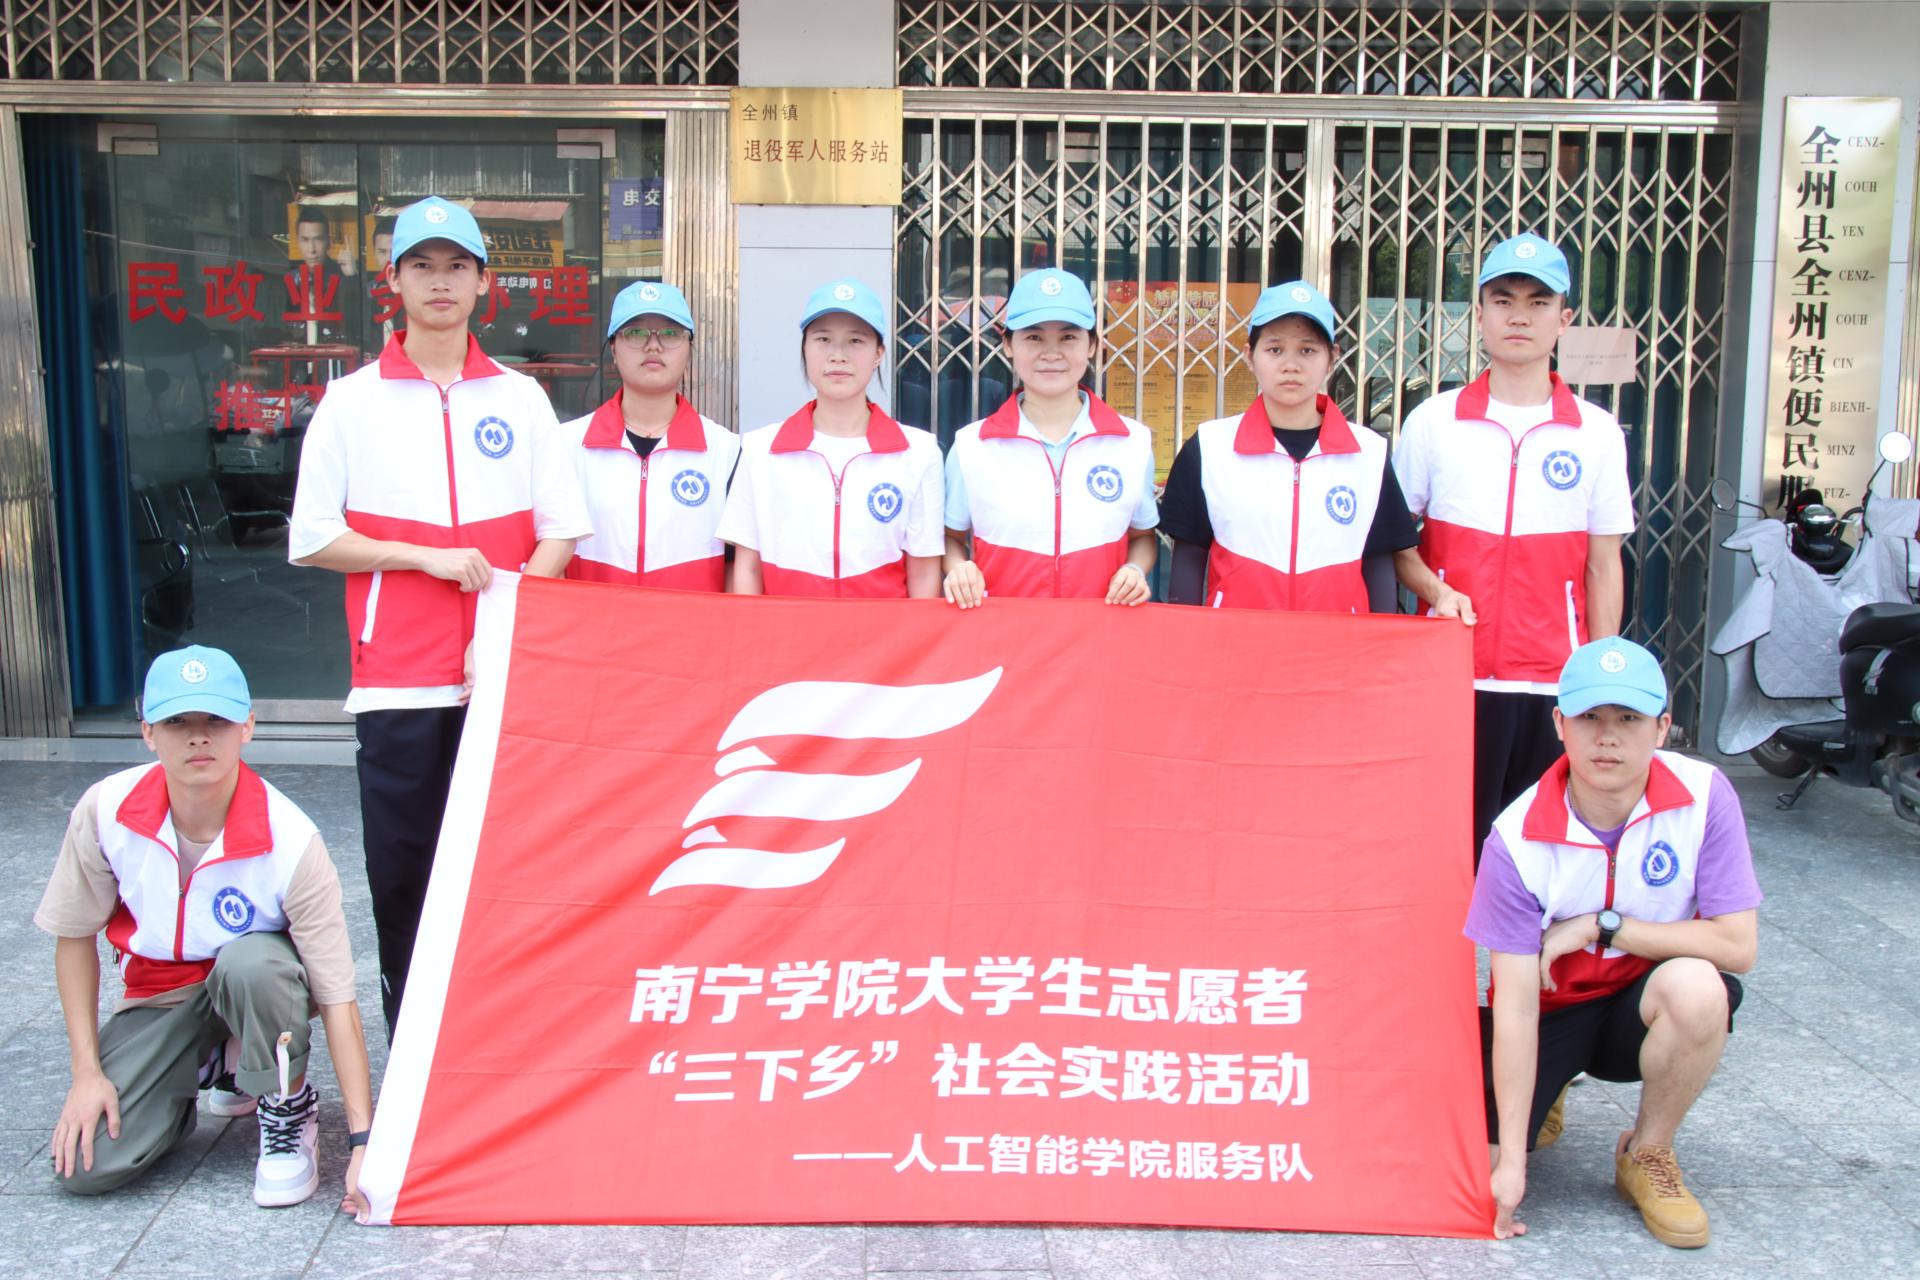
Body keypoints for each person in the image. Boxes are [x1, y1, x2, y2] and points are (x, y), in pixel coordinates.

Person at [288, 195, 591, 1036]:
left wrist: (504, 633)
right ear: (393, 281)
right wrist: (421, 557)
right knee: (406, 875)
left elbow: (562, 529)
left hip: (503, 685)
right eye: (421, 266)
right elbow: (313, 538)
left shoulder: (521, 398)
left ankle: (509, 1042)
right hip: (398, 683)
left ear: (484, 282)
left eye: (457, 265)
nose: (440, 281)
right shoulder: (351, 402)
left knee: (513, 868)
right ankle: (417, 1052)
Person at [35, 646, 374, 1213]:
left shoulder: (292, 839)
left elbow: (338, 996)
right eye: (177, 722)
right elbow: (73, 937)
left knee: (252, 963)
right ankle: (219, 1066)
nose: (198, 738)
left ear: (247, 727)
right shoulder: (106, 810)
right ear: (147, 732)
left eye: (216, 720)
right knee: (91, 1165)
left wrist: (363, 1142)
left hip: (258, 987)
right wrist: (86, 1074)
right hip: (160, 995)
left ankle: (285, 1103)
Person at [1469, 637, 1759, 1248]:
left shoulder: (1706, 795)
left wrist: (1605, 925)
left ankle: (1647, 1152)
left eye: (1628, 718)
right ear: (1559, 725)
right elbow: (1515, 1007)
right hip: (1550, 1011)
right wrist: (1511, 1164)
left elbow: (1738, 946)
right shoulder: (1515, 838)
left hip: (1639, 1005)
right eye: (1589, 718)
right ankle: (1546, 1096)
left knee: (1700, 987)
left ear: (1662, 728)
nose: (1607, 737)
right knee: (1478, 1169)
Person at [1393, 234, 1635, 857]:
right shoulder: (1434, 421)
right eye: (1503, 300)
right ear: (1479, 314)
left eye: (1538, 302)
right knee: (1448, 846)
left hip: (1552, 681)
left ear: (1565, 319)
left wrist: (1600, 675)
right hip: (1453, 671)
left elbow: (1604, 565)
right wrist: (1437, 592)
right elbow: (1396, 544)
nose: (1519, 316)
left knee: (1540, 850)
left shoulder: (1598, 433)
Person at [1159, 281, 1470, 618]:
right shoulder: (1210, 448)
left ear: (1332, 358)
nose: (1290, 365)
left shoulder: (1367, 454)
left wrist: (1380, 640)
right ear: (1250, 356)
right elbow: (1188, 561)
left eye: (1307, 351)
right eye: (1275, 350)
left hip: (1340, 645)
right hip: (1238, 643)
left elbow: (1379, 564)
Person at [941, 268, 1157, 607]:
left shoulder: (1132, 443)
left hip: (1098, 628)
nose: (1051, 353)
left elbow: (1143, 536)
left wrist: (1135, 569)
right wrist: (959, 568)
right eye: (1034, 337)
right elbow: (950, 537)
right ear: (1008, 345)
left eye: (1068, 337)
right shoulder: (972, 446)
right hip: (1003, 628)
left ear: (1092, 345)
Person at [719, 279, 943, 597]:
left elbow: (923, 573)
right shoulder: (759, 450)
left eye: (856, 340)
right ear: (805, 349)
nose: (838, 355)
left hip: (884, 630)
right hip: (787, 628)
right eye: (823, 339)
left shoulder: (918, 452)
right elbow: (748, 568)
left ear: (878, 353)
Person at [564, 281, 739, 589]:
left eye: (670, 333)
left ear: (689, 351)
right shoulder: (566, 446)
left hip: (691, 622)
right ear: (613, 349)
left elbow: (737, 567)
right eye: (636, 332)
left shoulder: (727, 452)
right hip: (592, 620)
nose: (653, 345)